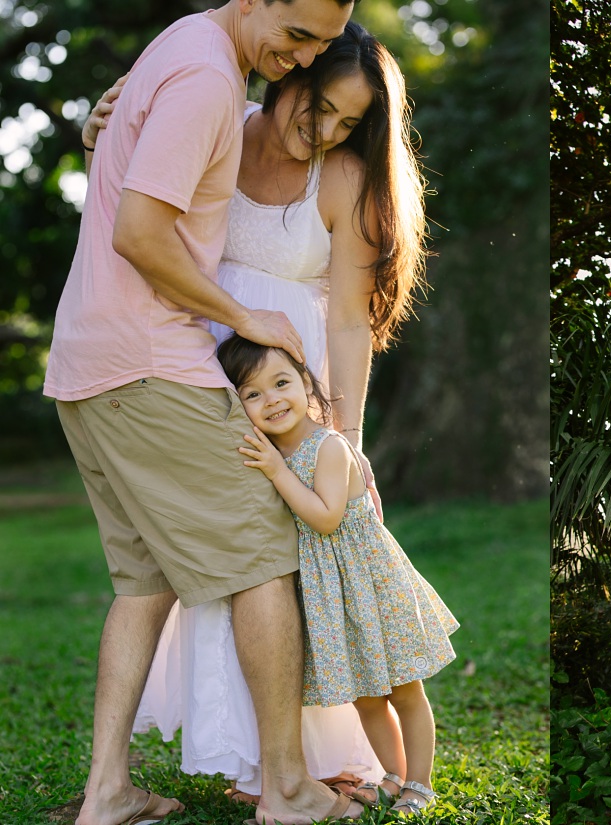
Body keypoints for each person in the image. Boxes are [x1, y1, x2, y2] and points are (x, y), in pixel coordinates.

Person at [84, 20, 430, 812]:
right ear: (291, 77)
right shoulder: (219, 121)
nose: (330, 132)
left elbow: (347, 320)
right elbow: (139, 197)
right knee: (230, 555)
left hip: (289, 374)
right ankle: (247, 755)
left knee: (293, 554)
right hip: (201, 354)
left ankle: (304, 757)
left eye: (350, 123)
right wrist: (100, 126)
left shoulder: (343, 178)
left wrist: (345, 440)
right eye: (323, 110)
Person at [220, 333, 459, 816]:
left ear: (307, 385)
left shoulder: (326, 446)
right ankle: (391, 777)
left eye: (281, 382)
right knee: (366, 696)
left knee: (404, 689)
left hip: (370, 585)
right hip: (332, 594)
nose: (272, 400)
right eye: (253, 393)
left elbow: (326, 518)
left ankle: (420, 783)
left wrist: (275, 472)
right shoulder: (273, 452)